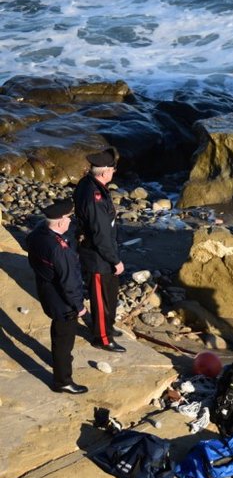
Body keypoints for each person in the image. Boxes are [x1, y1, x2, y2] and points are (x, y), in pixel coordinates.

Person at [25, 199, 88, 394]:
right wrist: (79, 306)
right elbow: (69, 284)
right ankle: (63, 381)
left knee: (58, 333)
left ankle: (58, 361)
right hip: (63, 302)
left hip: (46, 290)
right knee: (64, 339)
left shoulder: (37, 233)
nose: (71, 221)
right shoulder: (60, 250)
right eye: (69, 218)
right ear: (60, 222)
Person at [73, 146, 125, 352]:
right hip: (97, 256)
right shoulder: (94, 197)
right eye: (112, 170)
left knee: (110, 293)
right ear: (105, 172)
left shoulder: (88, 183)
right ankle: (102, 337)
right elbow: (100, 234)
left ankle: (107, 326)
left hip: (99, 251)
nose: (113, 173)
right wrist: (115, 260)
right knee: (101, 297)